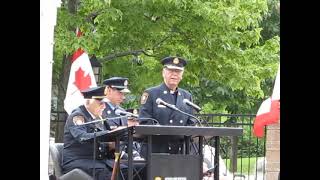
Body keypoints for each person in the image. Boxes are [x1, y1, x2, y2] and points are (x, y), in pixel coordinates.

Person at [139, 56, 197, 155]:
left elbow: (191, 122)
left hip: (179, 151)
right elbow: (145, 121)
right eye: (171, 71)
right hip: (156, 151)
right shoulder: (151, 93)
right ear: (163, 73)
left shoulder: (186, 96)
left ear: (182, 75)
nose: (174, 74)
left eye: (178, 72)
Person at [62, 86, 120, 180]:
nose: (104, 106)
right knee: (106, 173)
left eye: (105, 103)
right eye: (100, 103)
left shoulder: (100, 118)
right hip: (78, 160)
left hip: (95, 161)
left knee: (125, 169)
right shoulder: (78, 116)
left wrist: (112, 144)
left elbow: (105, 140)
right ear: (88, 101)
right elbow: (83, 137)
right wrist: (108, 134)